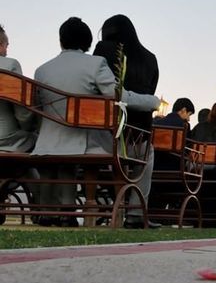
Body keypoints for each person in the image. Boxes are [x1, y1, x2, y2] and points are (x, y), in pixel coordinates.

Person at [33, 18, 159, 226]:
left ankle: (54, 211)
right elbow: (118, 97)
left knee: (63, 159)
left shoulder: (41, 70)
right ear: (88, 42)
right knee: (141, 151)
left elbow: (36, 108)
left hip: (47, 142)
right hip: (82, 141)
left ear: (60, 41)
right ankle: (133, 213)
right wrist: (152, 102)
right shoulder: (95, 64)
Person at [93, 14, 160, 229]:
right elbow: (150, 90)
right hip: (138, 136)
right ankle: (136, 212)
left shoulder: (103, 51)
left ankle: (111, 206)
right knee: (147, 154)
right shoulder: (150, 59)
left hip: (105, 136)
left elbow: (98, 90)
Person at [0, 25, 37, 152]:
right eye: (6, 46)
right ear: (0, 45)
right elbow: (22, 113)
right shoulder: (10, 65)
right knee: (36, 139)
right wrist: (28, 128)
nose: (6, 52)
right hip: (6, 139)